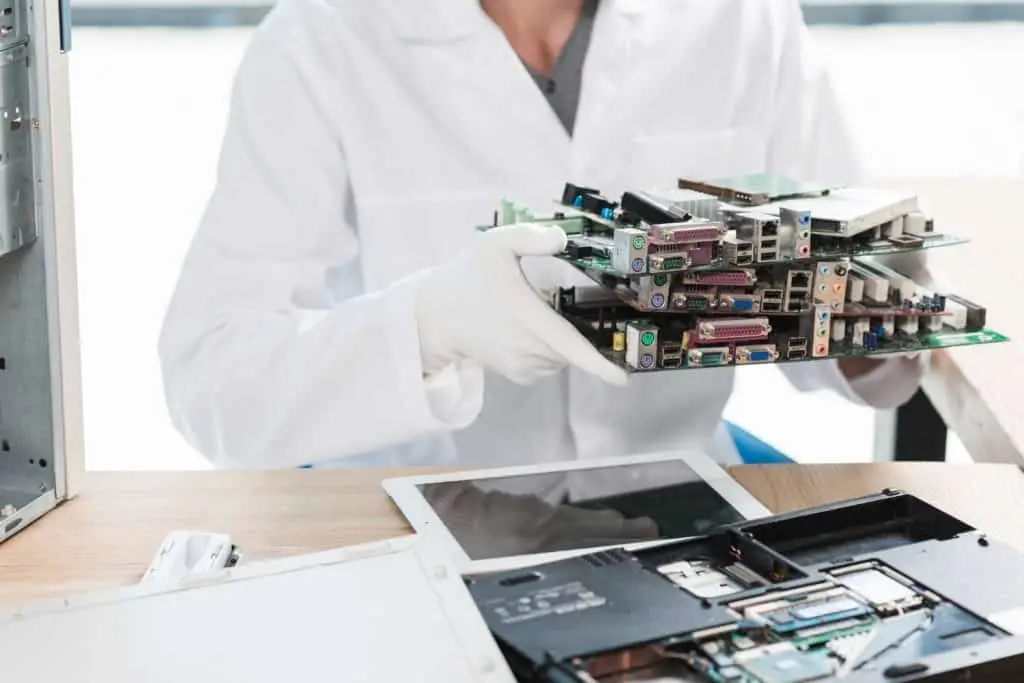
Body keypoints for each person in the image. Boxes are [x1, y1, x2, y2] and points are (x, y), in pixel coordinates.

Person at [158, 0, 925, 486]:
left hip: (678, 494)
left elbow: (871, 358)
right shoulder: (316, 42)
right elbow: (217, 383)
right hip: (416, 510)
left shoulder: (741, 20)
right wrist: (431, 325)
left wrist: (875, 315)